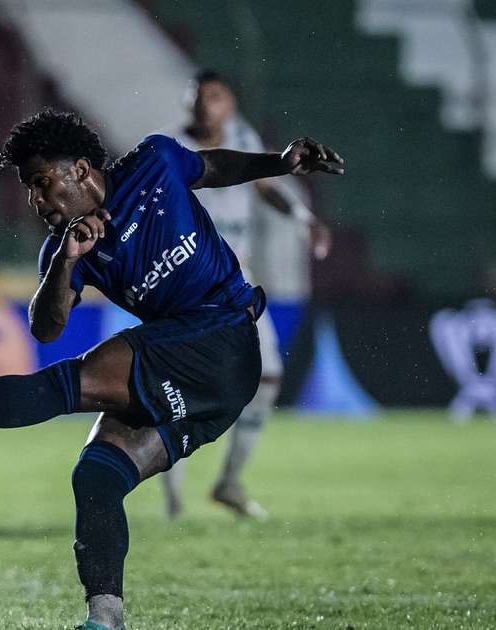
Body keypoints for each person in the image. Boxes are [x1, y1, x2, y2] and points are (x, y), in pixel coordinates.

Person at [0, 110, 342, 630]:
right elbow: (45, 328)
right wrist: (68, 260)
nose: (36, 200)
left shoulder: (156, 162)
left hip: (222, 334)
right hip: (211, 387)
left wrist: (279, 163)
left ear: (79, 170)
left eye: (42, 182)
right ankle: (105, 619)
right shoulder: (66, 248)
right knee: (97, 476)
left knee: (68, 384)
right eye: (30, 189)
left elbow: (211, 167)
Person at [160, 69, 334, 519]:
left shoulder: (241, 137)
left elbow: (265, 188)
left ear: (230, 104)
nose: (205, 105)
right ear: (187, 103)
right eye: (198, 97)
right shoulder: (170, 149)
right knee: (178, 388)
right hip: (188, 286)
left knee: (268, 379)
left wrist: (303, 218)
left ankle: (229, 482)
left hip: (237, 283)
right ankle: (174, 498)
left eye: (215, 97)